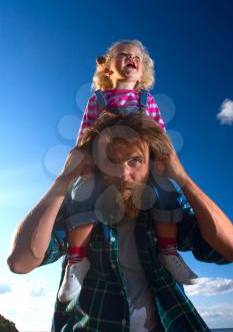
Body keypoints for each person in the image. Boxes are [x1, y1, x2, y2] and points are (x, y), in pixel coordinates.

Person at [7, 111, 233, 332]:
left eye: (135, 160)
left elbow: (228, 249)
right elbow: (20, 262)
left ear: (152, 164)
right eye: (110, 161)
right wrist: (64, 179)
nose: (124, 174)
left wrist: (183, 179)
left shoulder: (166, 214)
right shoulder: (76, 215)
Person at [57, 39, 198, 303]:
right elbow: (86, 133)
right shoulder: (98, 99)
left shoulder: (147, 99)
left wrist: (164, 159)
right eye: (123, 55)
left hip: (141, 165)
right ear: (108, 68)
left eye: (137, 57)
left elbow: (160, 134)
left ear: (143, 71)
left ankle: (168, 250)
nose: (131, 58)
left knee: (167, 190)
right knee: (81, 192)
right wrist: (82, 162)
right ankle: (76, 260)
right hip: (103, 164)